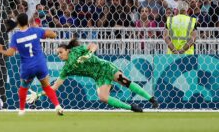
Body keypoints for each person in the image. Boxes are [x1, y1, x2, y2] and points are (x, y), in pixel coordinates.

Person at [27, 38, 159, 112]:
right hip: (98, 77)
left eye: (60, 52)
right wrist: (39, 95)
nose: (59, 55)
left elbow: (93, 45)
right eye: (57, 54)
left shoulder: (77, 50)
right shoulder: (66, 69)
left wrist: (88, 54)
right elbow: (54, 87)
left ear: (67, 50)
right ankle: (132, 108)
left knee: (124, 81)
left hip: (105, 67)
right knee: (102, 97)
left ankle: (151, 99)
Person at [0, 13, 63, 116]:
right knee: (47, 87)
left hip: (27, 67)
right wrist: (43, 33)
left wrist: (1, 50)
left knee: (23, 87)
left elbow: (10, 53)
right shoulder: (35, 31)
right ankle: (57, 106)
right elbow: (53, 34)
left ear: (18, 23)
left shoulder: (16, 37)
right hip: (40, 64)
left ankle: (22, 110)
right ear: (27, 22)